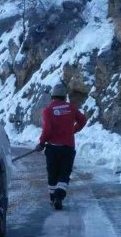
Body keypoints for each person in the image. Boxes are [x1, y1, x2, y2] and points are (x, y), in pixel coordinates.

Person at [36, 82, 87, 210]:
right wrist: (73, 130)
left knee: (53, 174)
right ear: (65, 97)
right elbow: (82, 120)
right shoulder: (71, 108)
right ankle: (59, 196)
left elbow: (47, 130)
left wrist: (42, 142)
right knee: (64, 174)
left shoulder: (48, 110)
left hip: (53, 148)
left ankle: (53, 197)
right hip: (68, 148)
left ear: (52, 97)